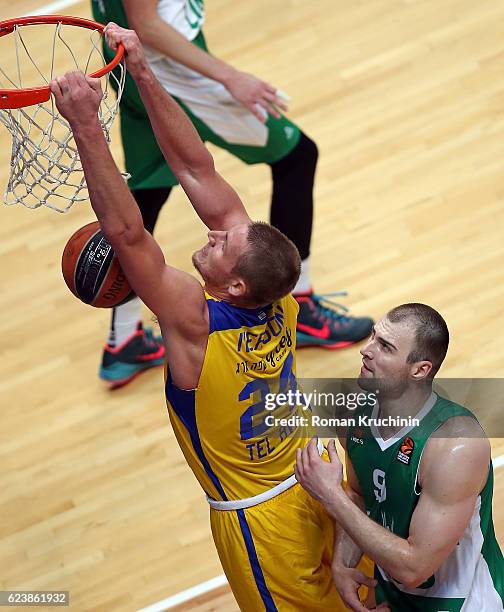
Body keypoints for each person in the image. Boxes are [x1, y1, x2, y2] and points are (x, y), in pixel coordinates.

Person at [50, 24, 370, 611]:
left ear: (235, 282)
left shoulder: (195, 324)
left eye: (221, 243)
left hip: (265, 524)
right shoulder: (279, 298)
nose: (214, 230)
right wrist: (139, 68)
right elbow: (198, 170)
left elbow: (127, 235)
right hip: (322, 477)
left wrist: (86, 125)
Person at [90, 0, 374, 387]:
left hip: (131, 64)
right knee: (296, 156)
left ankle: (123, 338)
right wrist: (230, 76)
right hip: (173, 74)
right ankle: (302, 304)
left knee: (149, 192)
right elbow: (147, 24)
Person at [295, 304, 504, 611]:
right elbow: (359, 494)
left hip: (462, 602)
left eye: (385, 347)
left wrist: (329, 494)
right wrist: (342, 564)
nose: (365, 351)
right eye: (372, 336)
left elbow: (415, 567)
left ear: (420, 369)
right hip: (388, 595)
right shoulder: (353, 412)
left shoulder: (456, 445)